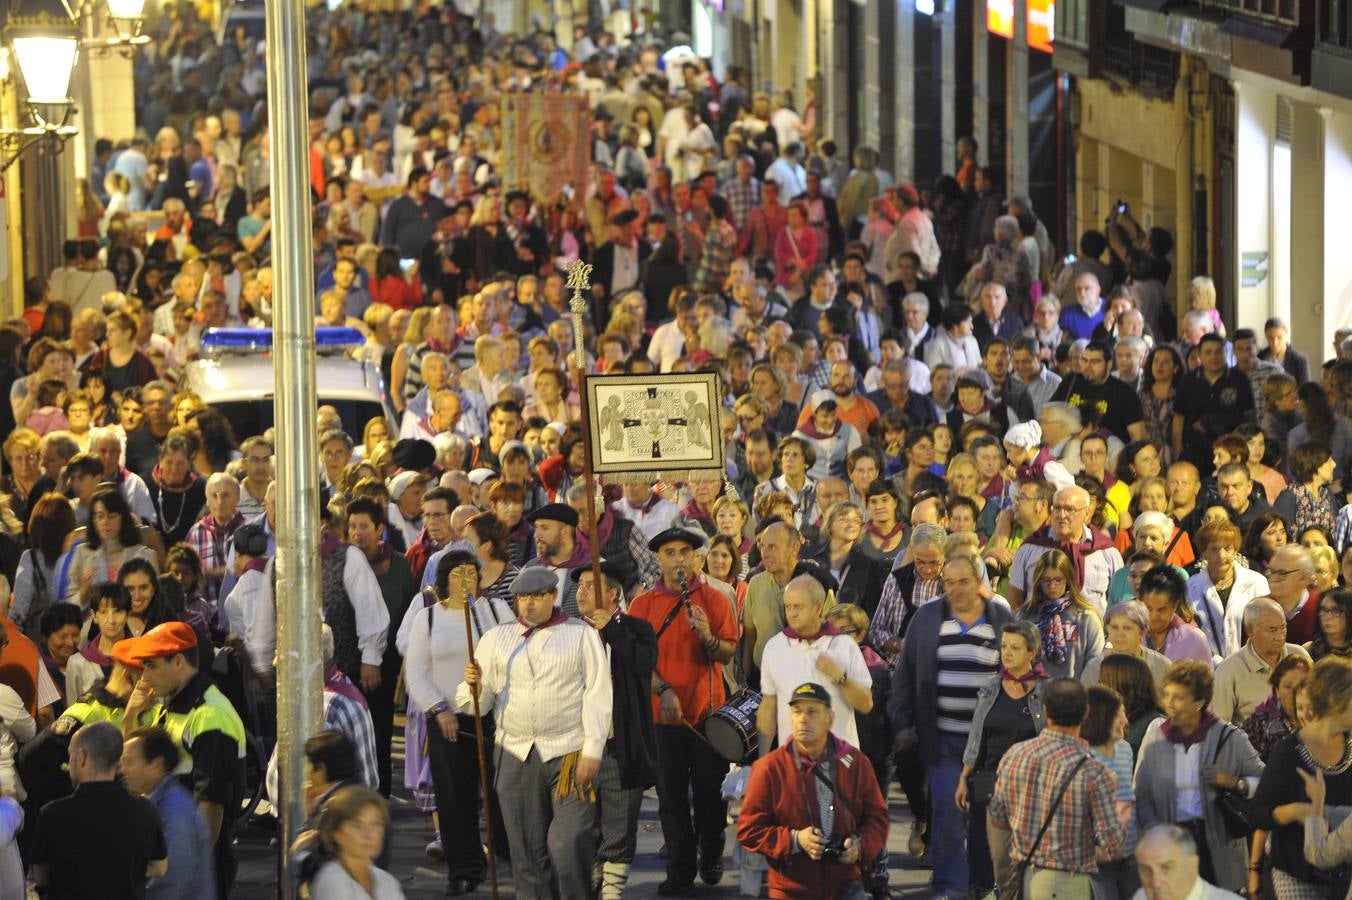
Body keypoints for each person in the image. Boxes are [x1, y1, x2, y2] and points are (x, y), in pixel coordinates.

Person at [457, 566, 612, 900]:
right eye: (521, 597)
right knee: (526, 851)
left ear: (552, 596)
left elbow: (598, 694)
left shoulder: (581, 634)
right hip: (514, 752)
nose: (527, 604)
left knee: (567, 843)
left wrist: (593, 751)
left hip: (570, 752)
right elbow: (477, 705)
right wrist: (474, 684)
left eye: (536, 596)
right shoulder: (496, 639)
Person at [890, 554, 1013, 899]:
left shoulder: (1000, 618)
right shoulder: (927, 619)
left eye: (963, 582)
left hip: (988, 746)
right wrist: (902, 722)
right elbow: (905, 676)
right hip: (942, 737)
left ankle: (981, 885)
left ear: (979, 583)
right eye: (949, 582)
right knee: (947, 808)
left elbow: (1019, 670)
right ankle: (950, 888)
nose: (955, 589)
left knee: (983, 815)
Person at [628, 527, 738, 893]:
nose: (678, 559)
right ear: (658, 559)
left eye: (684, 552)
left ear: (695, 557)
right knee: (671, 798)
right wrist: (663, 690)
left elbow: (726, 653)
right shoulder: (641, 605)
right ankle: (679, 869)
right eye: (670, 552)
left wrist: (707, 636)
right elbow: (638, 662)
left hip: (708, 716)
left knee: (710, 796)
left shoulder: (716, 599)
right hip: (663, 718)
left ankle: (711, 852)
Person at [118, 621, 246, 898]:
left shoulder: (210, 716)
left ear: (177, 661)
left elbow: (211, 806)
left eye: (151, 666)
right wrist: (130, 716)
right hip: (173, 853)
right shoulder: (171, 706)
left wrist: (192, 875)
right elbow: (133, 762)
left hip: (196, 865)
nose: (144, 678)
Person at [736, 682, 891, 900]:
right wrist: (795, 840)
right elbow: (748, 829)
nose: (803, 719)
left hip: (845, 885)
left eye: (812, 712)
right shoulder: (770, 767)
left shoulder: (856, 763)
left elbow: (878, 817)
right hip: (790, 889)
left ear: (830, 719)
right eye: (797, 711)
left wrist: (859, 846)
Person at [987, 678, 1126, 896]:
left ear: (1045, 710)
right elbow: (1113, 842)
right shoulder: (1093, 772)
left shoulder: (1014, 756)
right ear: (1085, 713)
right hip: (1069, 883)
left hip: (1024, 879)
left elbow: (997, 818)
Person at [1134, 659, 1265, 894]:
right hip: (1171, 844)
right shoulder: (1155, 737)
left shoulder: (1230, 738)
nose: (1169, 704)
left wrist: (1236, 783)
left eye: (1179, 697)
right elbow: (1141, 793)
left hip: (1218, 846)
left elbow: (1265, 782)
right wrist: (1156, 830)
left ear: (1199, 703)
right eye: (1167, 695)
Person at [572, 559, 659, 900]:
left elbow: (642, 662)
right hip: (576, 747)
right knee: (581, 825)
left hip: (620, 744)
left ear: (612, 593)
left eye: (590, 586)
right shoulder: (570, 632)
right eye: (578, 586)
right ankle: (591, 882)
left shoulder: (637, 628)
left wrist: (612, 628)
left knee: (619, 824)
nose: (581, 592)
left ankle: (612, 890)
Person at [956, 621, 1048, 898]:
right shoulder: (991, 687)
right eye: (1004, 646)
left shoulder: (1045, 691)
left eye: (1015, 647)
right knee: (981, 851)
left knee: (1021, 854)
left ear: (1031, 652)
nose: (1006, 653)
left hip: (1030, 785)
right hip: (988, 779)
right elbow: (976, 738)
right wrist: (963, 777)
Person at [1250, 655, 1352, 899]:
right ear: (1333, 701)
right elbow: (1258, 813)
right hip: (1297, 873)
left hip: (1344, 873)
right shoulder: (1289, 752)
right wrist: (1297, 811)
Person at [29, 721, 168, 898]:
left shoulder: (52, 815)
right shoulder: (146, 810)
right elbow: (159, 867)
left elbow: (41, 873)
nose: (69, 762)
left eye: (70, 755)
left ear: (81, 757)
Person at [756, 574, 873, 749]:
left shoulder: (844, 644)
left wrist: (841, 677)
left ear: (818, 607)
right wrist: (764, 761)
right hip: (794, 765)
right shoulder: (774, 647)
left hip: (840, 763)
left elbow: (866, 704)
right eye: (788, 606)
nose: (792, 614)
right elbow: (768, 708)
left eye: (798, 607)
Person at [119, 726, 217, 899]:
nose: (123, 770)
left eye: (129, 762)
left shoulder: (173, 812)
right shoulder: (155, 804)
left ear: (156, 765)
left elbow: (169, 884)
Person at [1007, 484, 1124, 614]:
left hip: (1090, 631)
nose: (1061, 515)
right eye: (1057, 508)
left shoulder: (1107, 552)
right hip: (1038, 631)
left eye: (1069, 509)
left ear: (1086, 514)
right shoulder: (1030, 548)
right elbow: (1014, 600)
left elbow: (1120, 604)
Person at [1211, 597, 1311, 725]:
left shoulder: (1299, 656)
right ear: (1250, 630)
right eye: (1272, 630)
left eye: (1283, 627)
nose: (1280, 636)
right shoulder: (1228, 672)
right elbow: (1218, 730)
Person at [1083, 684, 1141, 900]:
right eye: (1119, 715)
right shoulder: (1082, 754)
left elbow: (1129, 800)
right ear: (1101, 717)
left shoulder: (1125, 749)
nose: (1125, 721)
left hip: (1130, 854)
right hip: (1098, 860)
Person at [1188, 520, 1271, 662]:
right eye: (1214, 549)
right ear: (1204, 552)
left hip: (1251, 666)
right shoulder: (1190, 587)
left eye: (1228, 548)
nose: (1222, 556)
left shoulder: (1257, 582)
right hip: (1207, 670)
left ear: (1235, 551)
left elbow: (1268, 626)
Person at [1017, 549, 1106, 677]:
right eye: (1046, 580)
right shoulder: (1025, 616)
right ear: (1038, 582)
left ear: (1068, 580)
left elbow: (1095, 663)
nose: (1052, 586)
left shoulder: (1087, 617)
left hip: (1074, 693)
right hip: (1033, 693)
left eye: (1058, 579)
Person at [310, 785, 406, 899]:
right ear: (337, 833)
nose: (369, 834)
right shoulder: (332, 880)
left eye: (376, 824)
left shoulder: (387, 882)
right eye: (357, 826)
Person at [1134, 823, 1246, 900]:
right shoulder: (1141, 897)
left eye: (1166, 868)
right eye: (1145, 870)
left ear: (1193, 865)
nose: (1156, 882)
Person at [1083, 600, 1173, 687]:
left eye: (1127, 628)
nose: (1119, 634)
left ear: (1142, 632)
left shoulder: (1162, 667)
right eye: (1114, 627)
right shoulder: (1094, 669)